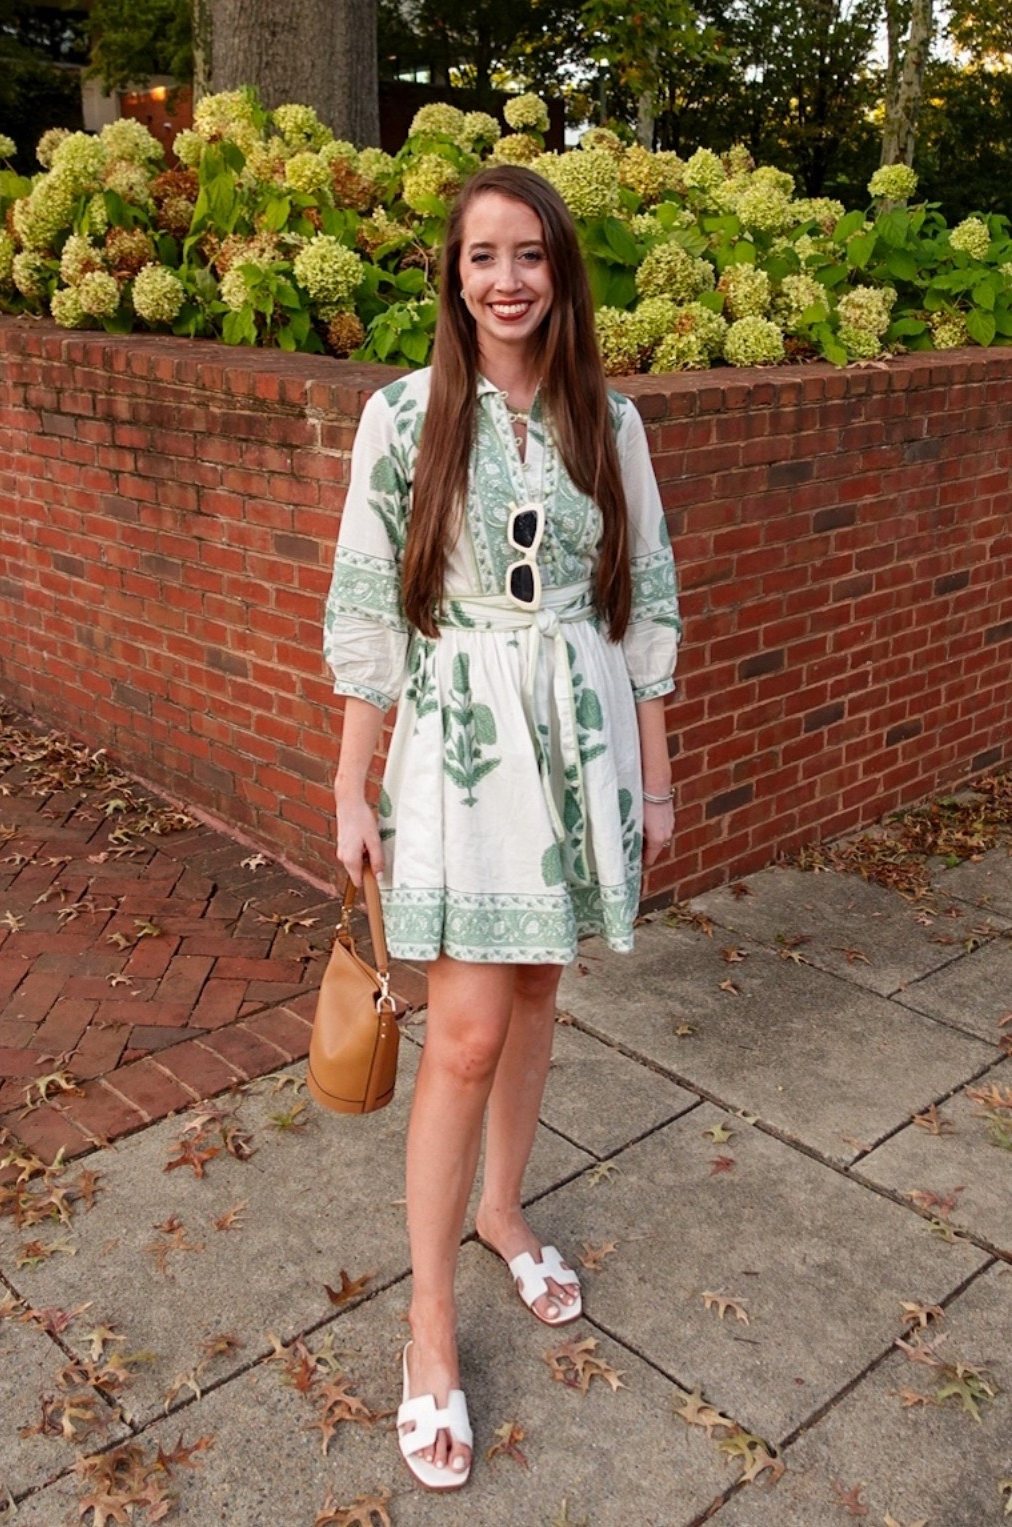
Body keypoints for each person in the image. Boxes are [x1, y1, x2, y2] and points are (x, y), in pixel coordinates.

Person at [324, 164, 680, 1492]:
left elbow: (644, 601)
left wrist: (653, 783)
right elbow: (370, 605)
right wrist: (352, 783)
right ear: (454, 275)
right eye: (482, 256)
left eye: (528, 254)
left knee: (536, 991)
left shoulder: (608, 421)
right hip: (462, 746)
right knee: (465, 1031)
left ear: (559, 269)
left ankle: (499, 1208)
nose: (507, 279)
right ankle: (428, 1323)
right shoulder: (402, 416)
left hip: (580, 739)